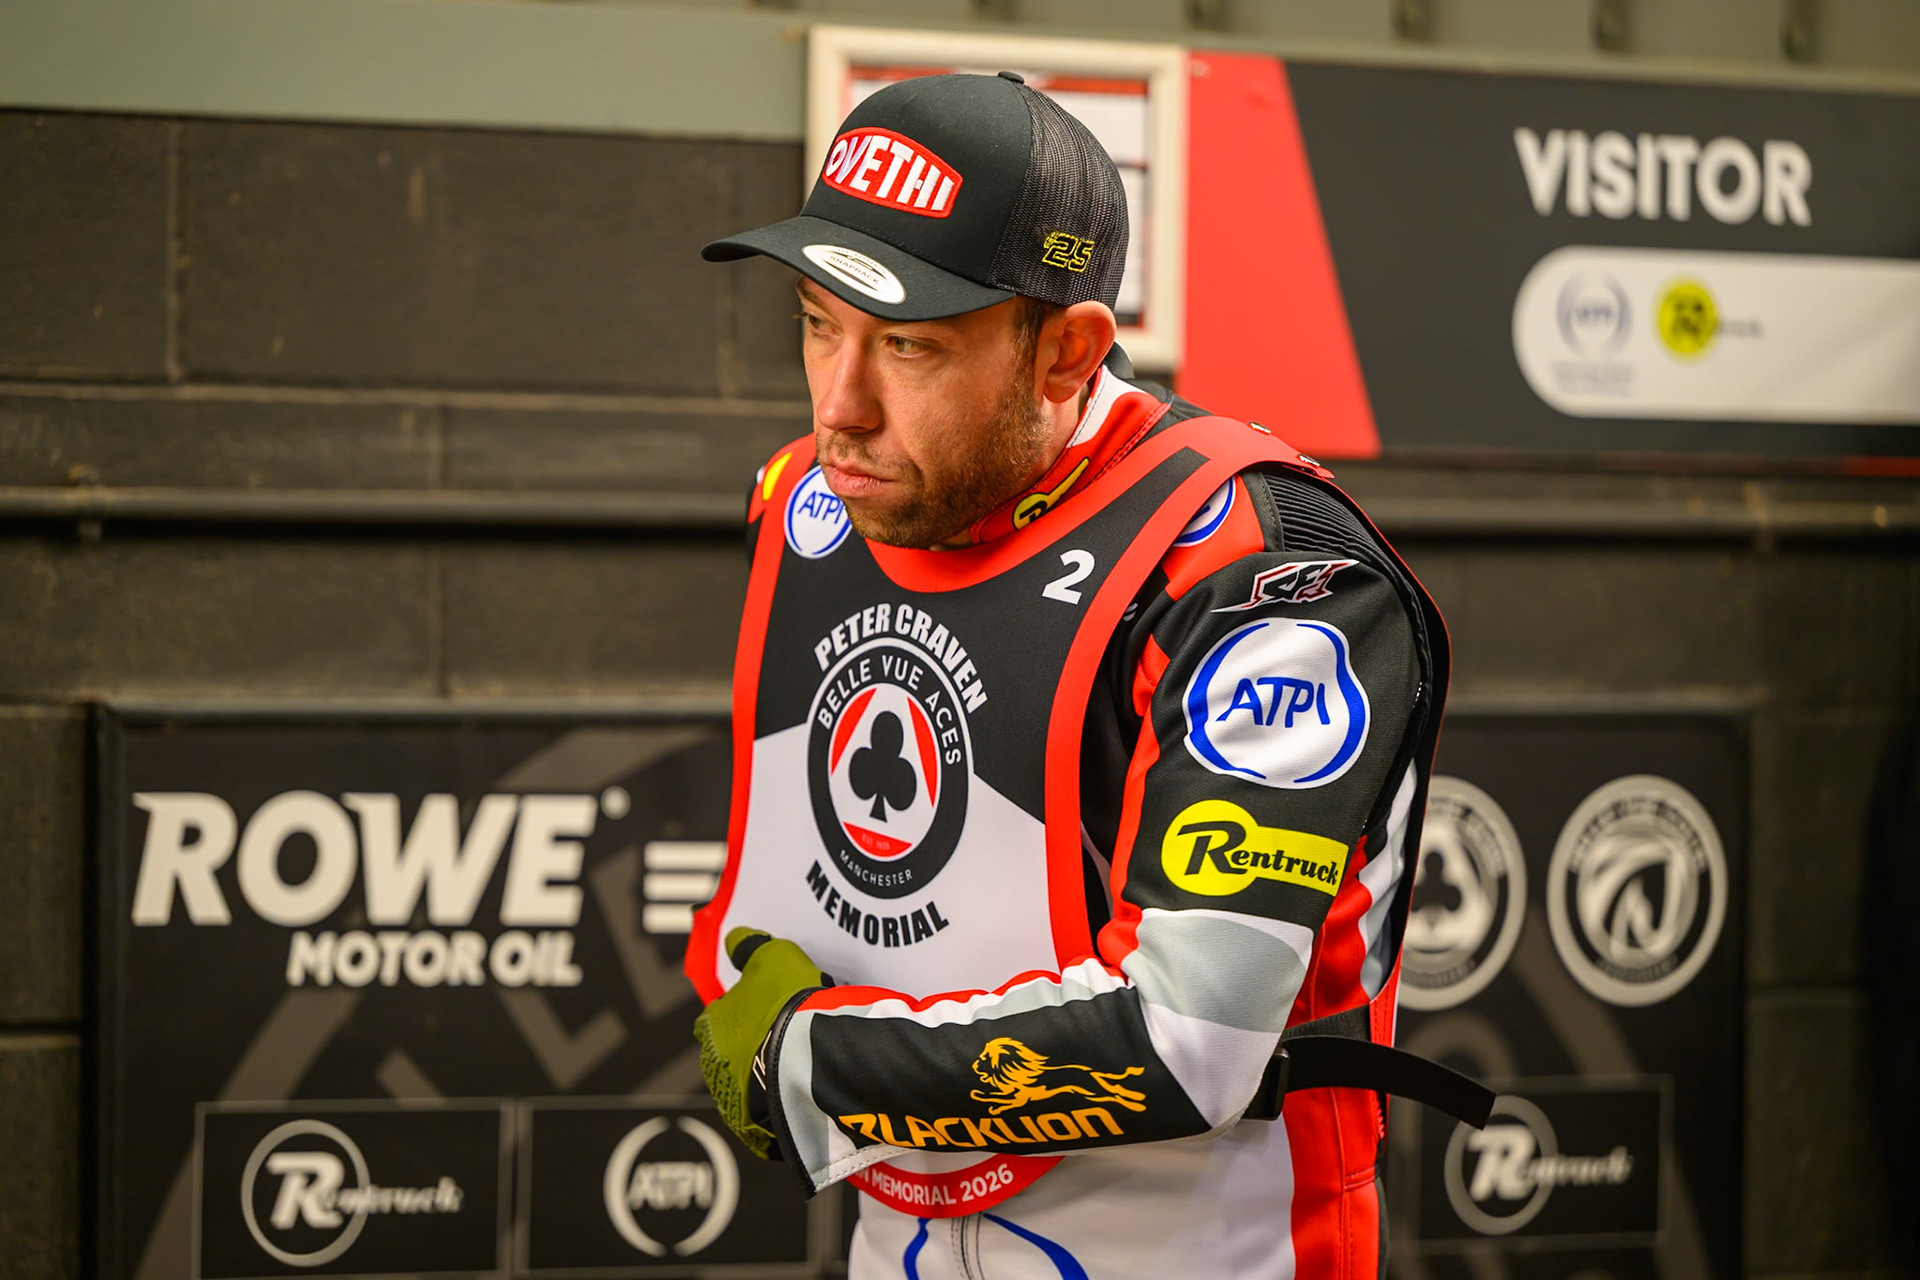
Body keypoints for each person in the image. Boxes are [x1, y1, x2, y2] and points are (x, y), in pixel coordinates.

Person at [687, 71, 1475, 1279]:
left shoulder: (1264, 569)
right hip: (899, 1232)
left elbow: (1194, 1035)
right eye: (816, 322)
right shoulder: (812, 501)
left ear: (1066, 354)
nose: (840, 406)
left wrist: (807, 1061)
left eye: (906, 344)